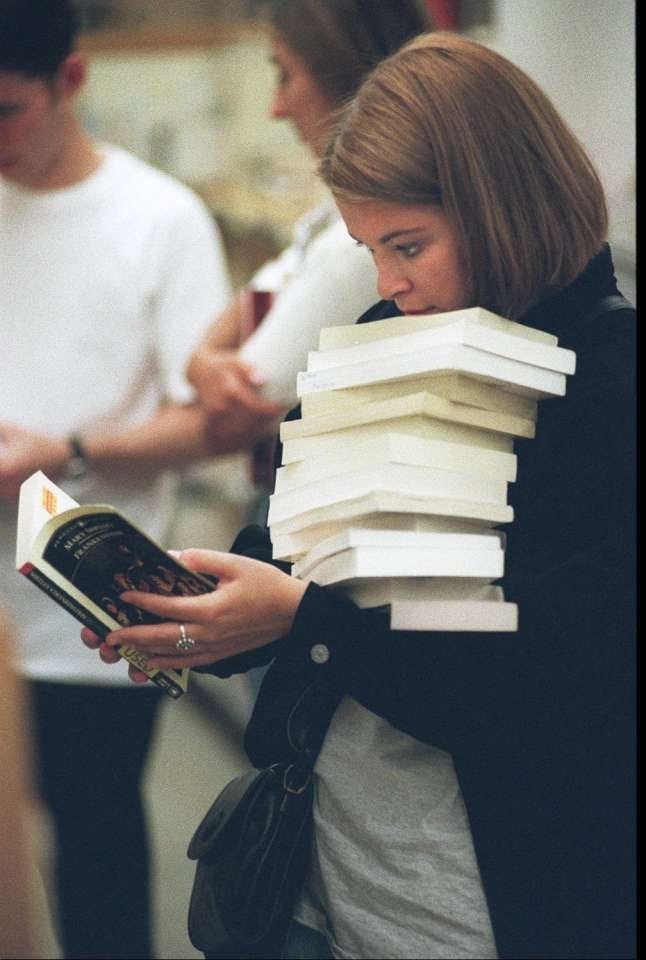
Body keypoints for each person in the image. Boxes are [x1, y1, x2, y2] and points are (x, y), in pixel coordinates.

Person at [81, 31, 635, 960]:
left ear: (500, 205)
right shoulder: (387, 328)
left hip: (491, 906)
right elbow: (294, 549)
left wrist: (302, 620)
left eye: (408, 244)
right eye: (368, 248)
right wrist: (201, 612)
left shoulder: (610, 388)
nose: (387, 282)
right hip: (323, 877)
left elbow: (563, 694)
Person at [0, 1, 231, 957]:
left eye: (5, 110)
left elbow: (210, 420)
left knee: (95, 861)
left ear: (74, 80)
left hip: (94, 620)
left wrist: (64, 451)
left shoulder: (160, 219)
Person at [185, 0, 432, 466]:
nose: (277, 108)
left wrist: (200, 363)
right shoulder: (341, 224)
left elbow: (232, 418)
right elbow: (265, 285)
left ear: (343, 79)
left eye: (285, 76)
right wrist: (198, 360)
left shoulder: (355, 248)